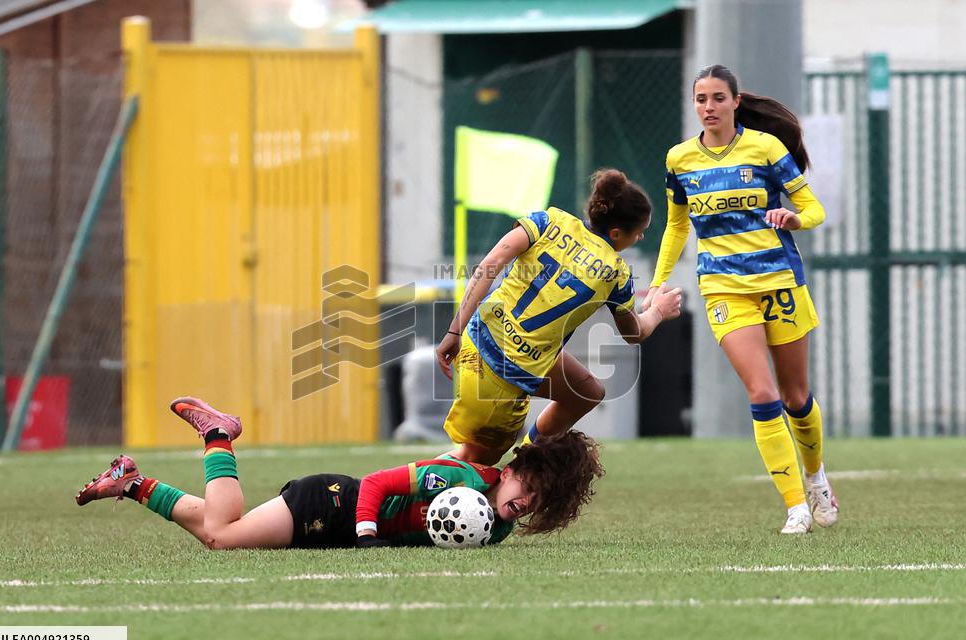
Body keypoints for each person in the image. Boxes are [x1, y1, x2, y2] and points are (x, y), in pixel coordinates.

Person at [641, 64, 837, 534]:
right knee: (762, 393)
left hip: (779, 282)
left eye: (717, 99)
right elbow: (676, 225)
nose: (708, 107)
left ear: (734, 103)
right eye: (700, 99)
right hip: (724, 287)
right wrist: (656, 282)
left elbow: (814, 209)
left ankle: (815, 477)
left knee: (795, 397)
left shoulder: (766, 148)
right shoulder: (679, 159)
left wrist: (794, 220)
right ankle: (795, 507)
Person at [75, 397, 604, 548]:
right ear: (512, 469)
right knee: (221, 535)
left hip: (338, 525)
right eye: (527, 487)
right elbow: (375, 485)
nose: (526, 503)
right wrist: (368, 533)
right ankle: (217, 435)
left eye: (539, 501)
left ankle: (132, 481)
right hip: (330, 504)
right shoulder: (459, 480)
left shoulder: (501, 524)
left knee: (218, 528)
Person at [437, 169, 683, 466]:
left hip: (479, 338)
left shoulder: (548, 220)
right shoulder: (615, 273)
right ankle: (384, 491)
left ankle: (526, 463)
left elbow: (489, 265)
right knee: (474, 463)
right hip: (501, 373)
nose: (641, 236)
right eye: (639, 231)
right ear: (617, 233)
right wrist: (657, 310)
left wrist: (454, 331)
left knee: (587, 392)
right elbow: (634, 333)